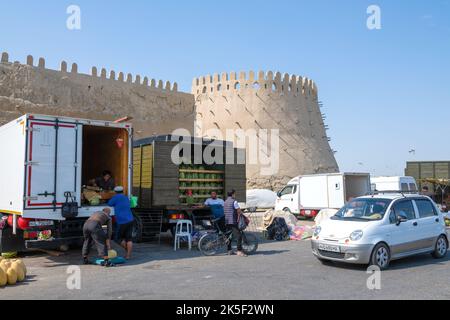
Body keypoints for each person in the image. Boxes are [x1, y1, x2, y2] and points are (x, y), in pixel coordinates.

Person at [108, 186, 134, 259]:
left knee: (117, 238)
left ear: (115, 192)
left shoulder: (115, 198)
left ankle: (127, 249)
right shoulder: (126, 197)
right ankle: (128, 255)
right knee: (129, 238)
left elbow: (109, 204)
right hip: (130, 219)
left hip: (122, 221)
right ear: (122, 191)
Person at [224, 190, 246, 257]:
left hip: (226, 221)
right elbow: (239, 210)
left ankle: (229, 250)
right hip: (233, 221)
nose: (235, 195)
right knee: (239, 236)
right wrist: (243, 214)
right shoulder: (234, 201)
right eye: (234, 194)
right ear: (233, 194)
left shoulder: (225, 201)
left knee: (229, 236)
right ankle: (239, 251)